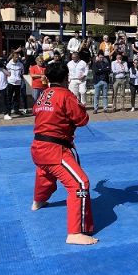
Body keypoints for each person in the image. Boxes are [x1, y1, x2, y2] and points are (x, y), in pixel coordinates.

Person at [30, 61, 97, 245]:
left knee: (45, 174)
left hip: (37, 147)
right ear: (66, 77)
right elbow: (82, 119)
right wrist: (79, 106)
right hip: (55, 149)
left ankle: (38, 201)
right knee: (80, 184)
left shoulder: (43, 94)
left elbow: (37, 111)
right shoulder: (66, 95)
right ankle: (75, 232)